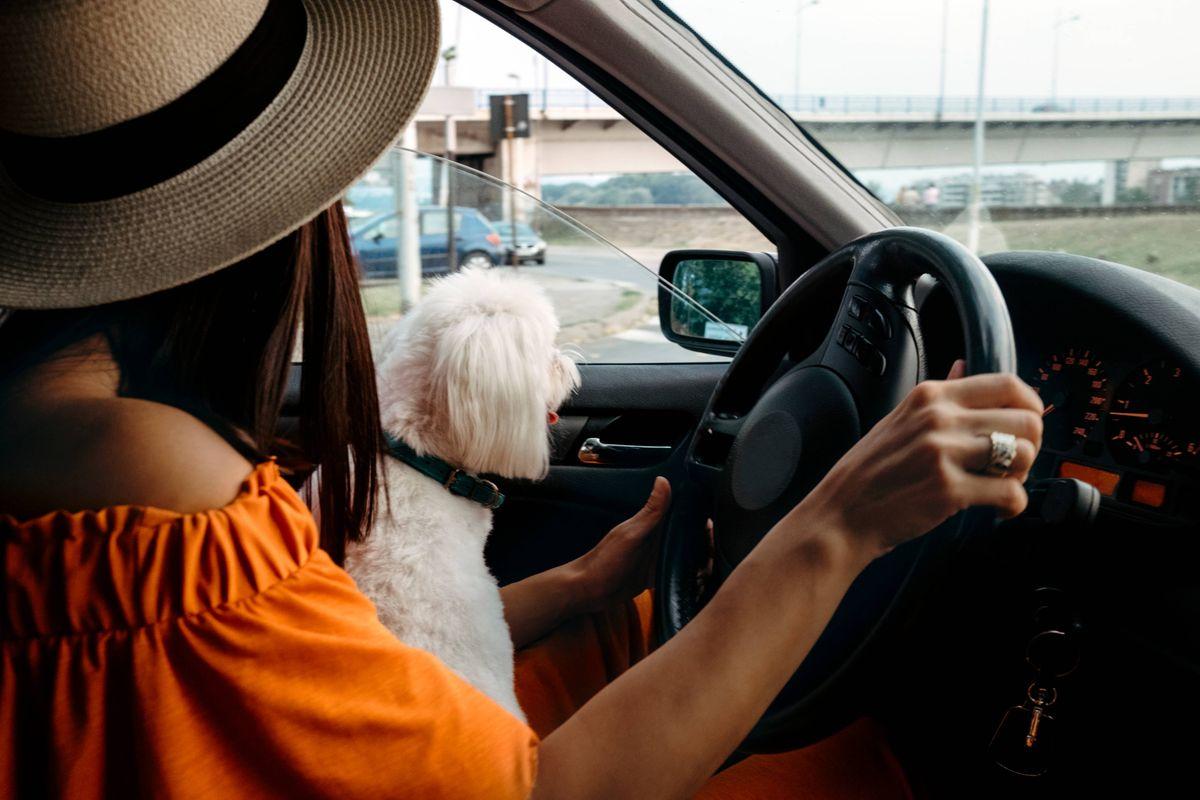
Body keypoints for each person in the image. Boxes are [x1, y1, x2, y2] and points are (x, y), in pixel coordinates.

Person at [0, 1, 1043, 797]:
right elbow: (543, 787)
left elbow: (358, 667)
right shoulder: (156, 496)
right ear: (258, 226)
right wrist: (841, 522)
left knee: (626, 626)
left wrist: (589, 577)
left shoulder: (68, 448)